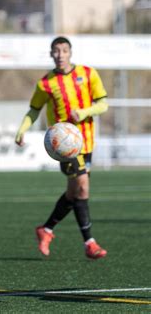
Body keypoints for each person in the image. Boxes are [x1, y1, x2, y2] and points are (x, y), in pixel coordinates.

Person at [14, 36, 109, 259]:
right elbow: (34, 110)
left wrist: (84, 112)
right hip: (64, 147)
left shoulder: (88, 73)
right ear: (51, 54)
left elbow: (103, 103)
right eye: (56, 51)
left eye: (64, 50)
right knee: (83, 186)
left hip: (85, 142)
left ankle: (46, 230)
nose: (60, 55)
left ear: (70, 52)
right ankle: (90, 243)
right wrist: (22, 129)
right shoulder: (45, 83)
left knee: (74, 192)